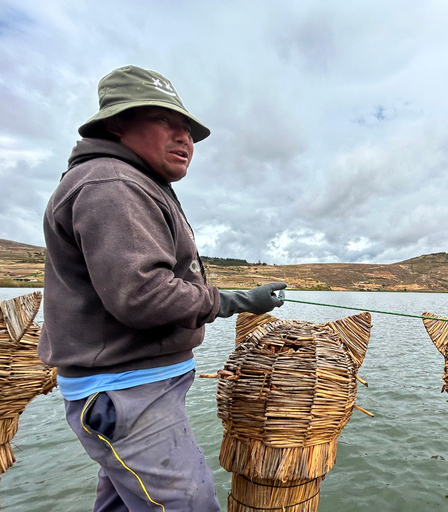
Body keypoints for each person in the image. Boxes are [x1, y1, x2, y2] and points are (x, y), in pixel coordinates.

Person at [39, 65, 285, 512]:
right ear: (118, 123)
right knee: (188, 502)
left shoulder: (133, 180)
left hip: (132, 388)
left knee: (122, 503)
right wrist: (236, 301)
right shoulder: (112, 183)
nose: (184, 138)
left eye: (188, 129)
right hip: (125, 392)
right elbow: (143, 294)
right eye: (165, 122)